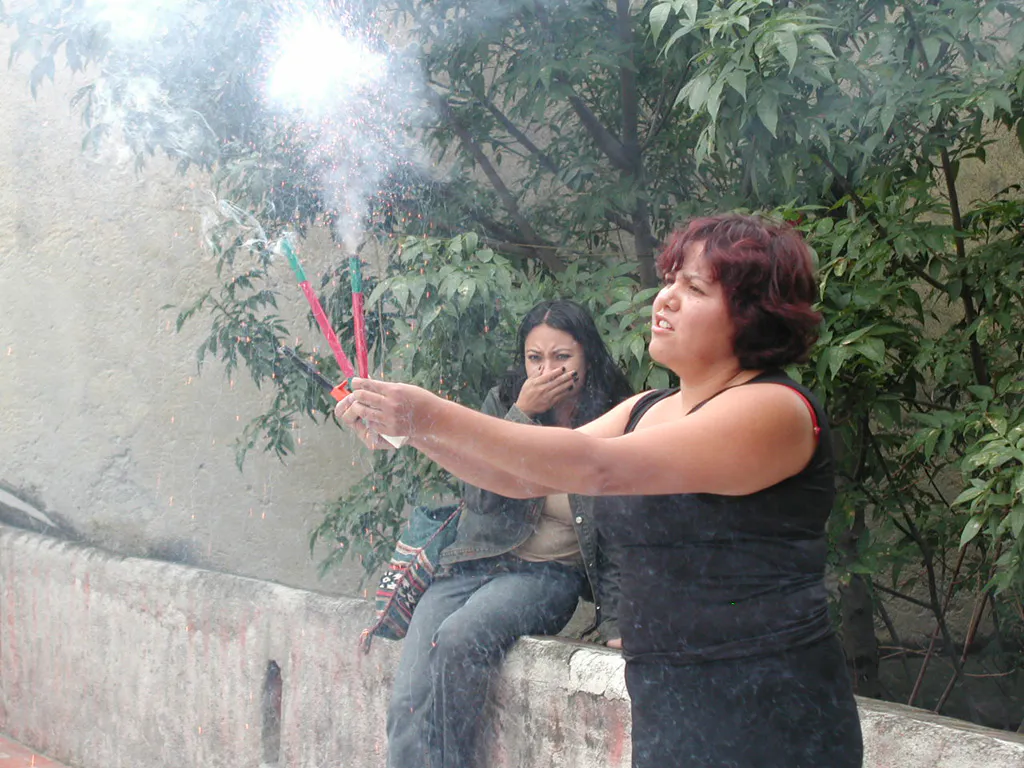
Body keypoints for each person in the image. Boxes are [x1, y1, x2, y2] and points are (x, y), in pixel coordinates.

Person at [337, 214, 864, 768]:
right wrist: (413, 430)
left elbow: (595, 468)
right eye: (670, 279)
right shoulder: (647, 408)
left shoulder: (775, 409)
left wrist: (431, 413)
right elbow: (520, 477)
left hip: (773, 712)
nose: (666, 298)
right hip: (669, 705)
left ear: (755, 315)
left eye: (694, 287)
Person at [381, 299, 632, 768]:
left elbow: (620, 530)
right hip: (474, 563)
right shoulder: (504, 402)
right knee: (408, 699)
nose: (547, 370)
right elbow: (480, 497)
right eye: (535, 358)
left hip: (547, 576)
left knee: (458, 639)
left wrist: (618, 623)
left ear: (588, 356)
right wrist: (521, 415)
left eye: (562, 357)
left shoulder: (616, 417)